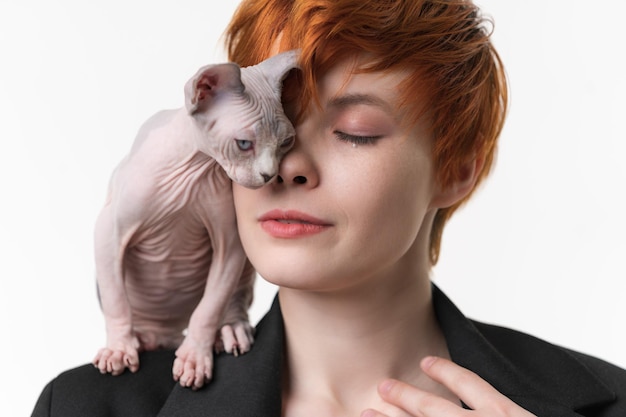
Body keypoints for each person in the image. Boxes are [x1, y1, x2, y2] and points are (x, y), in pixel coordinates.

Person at [31, 0, 626, 416]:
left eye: (356, 132)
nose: (284, 165)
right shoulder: (91, 407)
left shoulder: (611, 400)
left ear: (455, 169)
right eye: (271, 131)